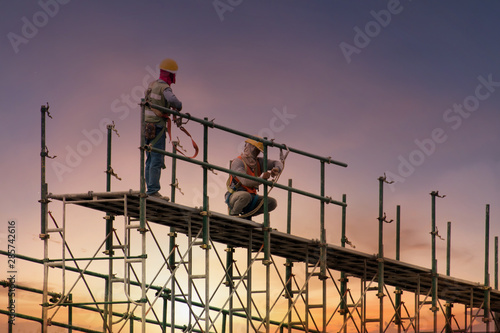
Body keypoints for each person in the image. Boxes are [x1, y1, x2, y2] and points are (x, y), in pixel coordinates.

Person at [143, 58, 182, 199]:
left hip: (146, 127)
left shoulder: (151, 85)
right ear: (171, 75)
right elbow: (173, 100)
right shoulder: (165, 88)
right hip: (157, 127)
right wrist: (179, 106)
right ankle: (153, 191)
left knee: (149, 158)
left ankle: (149, 189)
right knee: (156, 159)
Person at [225, 138, 283, 218]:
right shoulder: (238, 162)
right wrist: (262, 179)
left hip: (252, 196)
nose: (257, 153)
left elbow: (277, 163)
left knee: (272, 203)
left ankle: (246, 216)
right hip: (236, 195)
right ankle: (234, 216)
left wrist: (277, 169)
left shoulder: (259, 162)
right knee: (245, 196)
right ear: (249, 148)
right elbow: (245, 181)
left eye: (258, 151)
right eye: (255, 150)